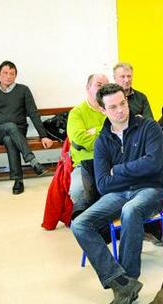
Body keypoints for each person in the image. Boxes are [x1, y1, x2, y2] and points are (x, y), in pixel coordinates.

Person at [70, 83, 163, 304]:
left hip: (151, 189)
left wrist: (119, 170)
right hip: (118, 192)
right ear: (103, 110)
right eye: (113, 107)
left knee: (131, 210)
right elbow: (103, 183)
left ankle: (129, 277)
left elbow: (154, 165)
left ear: (127, 101)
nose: (120, 111)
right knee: (80, 223)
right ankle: (120, 281)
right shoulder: (103, 140)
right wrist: (135, 169)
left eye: (122, 104)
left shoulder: (149, 127)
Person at [0, 60, 52, 194]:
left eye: (12, 74)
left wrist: (43, 136)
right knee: (9, 126)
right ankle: (32, 161)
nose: (8, 76)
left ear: (15, 76)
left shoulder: (23, 90)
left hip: (18, 132)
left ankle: (18, 180)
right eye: (5, 73)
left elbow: (33, 113)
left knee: (10, 139)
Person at [66, 73, 109, 210]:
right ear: (88, 88)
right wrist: (104, 134)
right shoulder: (77, 113)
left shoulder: (111, 109)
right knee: (79, 191)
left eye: (106, 86)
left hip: (111, 162)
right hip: (84, 163)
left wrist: (94, 130)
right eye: (99, 85)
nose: (103, 89)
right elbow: (79, 139)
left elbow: (120, 135)